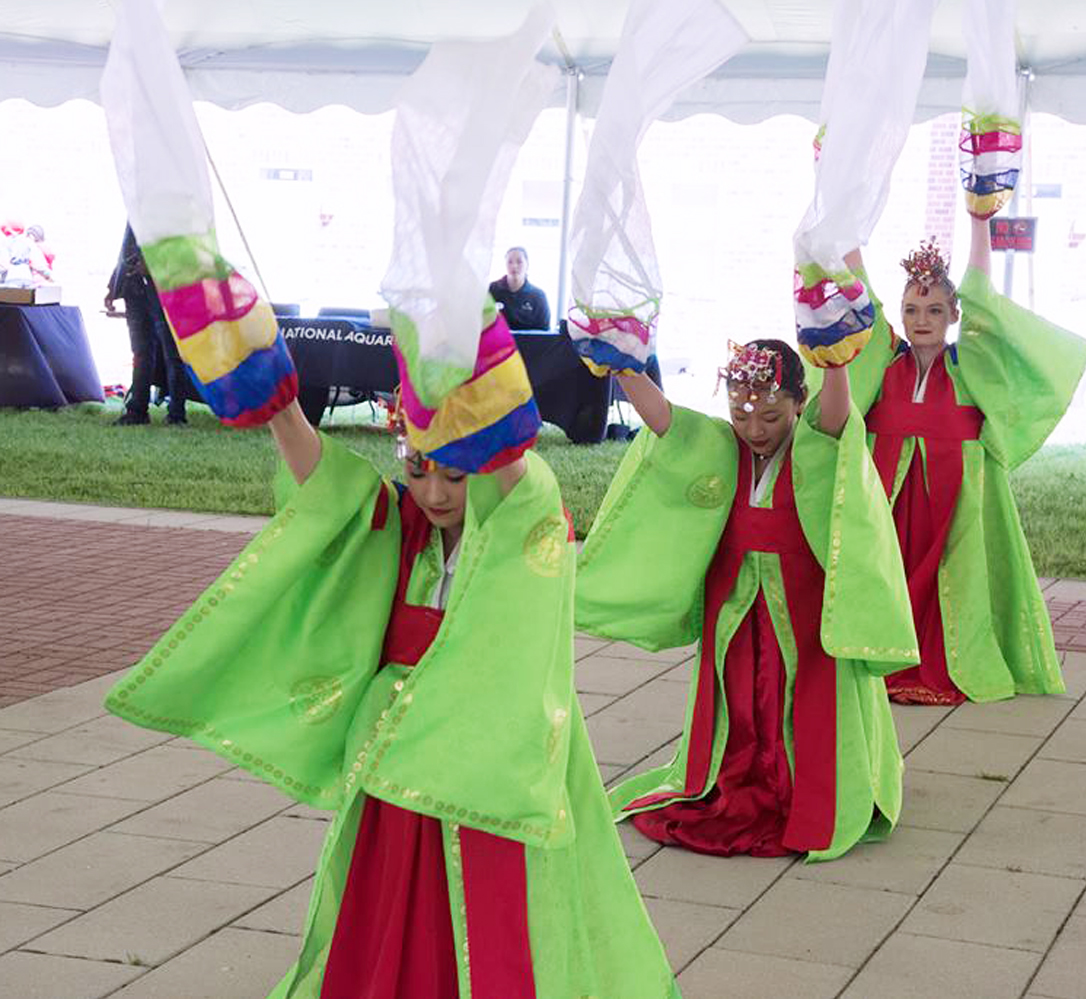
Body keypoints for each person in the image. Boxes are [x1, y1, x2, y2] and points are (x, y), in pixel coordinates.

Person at [103, 392, 681, 997]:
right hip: (397, 739)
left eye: (455, 476)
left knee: (493, 889)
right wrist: (281, 407)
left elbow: (518, 473)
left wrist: (478, 376)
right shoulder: (399, 523)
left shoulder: (521, 521)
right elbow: (327, 485)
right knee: (392, 880)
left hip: (491, 741)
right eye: (418, 470)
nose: (434, 494)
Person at [575, 342, 917, 861]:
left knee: (803, 696)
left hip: (802, 603)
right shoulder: (720, 447)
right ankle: (732, 776)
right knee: (736, 696)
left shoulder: (815, 445)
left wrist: (835, 358)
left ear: (800, 402)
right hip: (733, 598)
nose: (754, 429)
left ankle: (809, 792)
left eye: (771, 416)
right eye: (741, 413)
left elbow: (838, 415)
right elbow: (665, 422)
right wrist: (622, 364)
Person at [843, 216, 1086, 705]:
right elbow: (859, 297)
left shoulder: (968, 365)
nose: (922, 320)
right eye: (912, 309)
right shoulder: (885, 360)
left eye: (935, 310)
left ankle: (947, 661)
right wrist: (845, 222)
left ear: (953, 315)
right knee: (889, 569)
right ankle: (881, 655)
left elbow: (982, 297)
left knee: (953, 578)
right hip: (889, 494)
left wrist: (980, 222)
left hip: (957, 496)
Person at [105, 224, 190, 426]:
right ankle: (137, 410)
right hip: (134, 286)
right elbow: (127, 246)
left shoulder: (168, 210)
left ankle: (177, 414)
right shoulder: (135, 209)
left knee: (172, 353)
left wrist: (153, 264)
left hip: (163, 286)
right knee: (141, 352)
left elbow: (181, 244)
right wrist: (113, 287)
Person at [488, 246, 551, 330]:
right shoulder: (491, 290)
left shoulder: (539, 296)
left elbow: (544, 331)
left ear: (527, 265)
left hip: (528, 339)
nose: (514, 266)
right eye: (510, 262)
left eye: (519, 262)